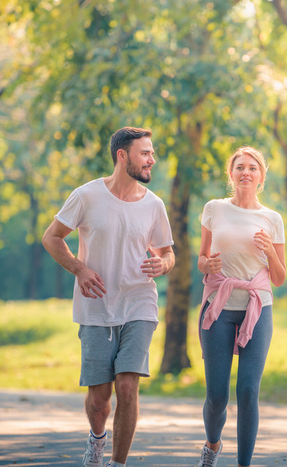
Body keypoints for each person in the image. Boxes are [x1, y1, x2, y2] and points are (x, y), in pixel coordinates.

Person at [42, 127, 175, 467]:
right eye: (144, 153)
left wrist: (163, 263)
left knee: (127, 386)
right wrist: (79, 269)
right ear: (122, 155)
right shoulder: (86, 196)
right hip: (97, 306)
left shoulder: (153, 204)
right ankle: (97, 439)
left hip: (139, 303)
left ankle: (118, 463)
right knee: (100, 397)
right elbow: (52, 237)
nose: (151, 159)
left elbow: (167, 252)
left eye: (151, 153)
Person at [195, 146, 286, 467]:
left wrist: (270, 253)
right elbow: (202, 259)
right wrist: (207, 265)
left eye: (253, 168)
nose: (246, 172)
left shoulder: (272, 218)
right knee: (218, 395)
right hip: (218, 308)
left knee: (248, 391)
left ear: (261, 177)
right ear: (231, 175)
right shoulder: (214, 209)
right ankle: (212, 445)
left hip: (257, 308)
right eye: (240, 167)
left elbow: (279, 277)